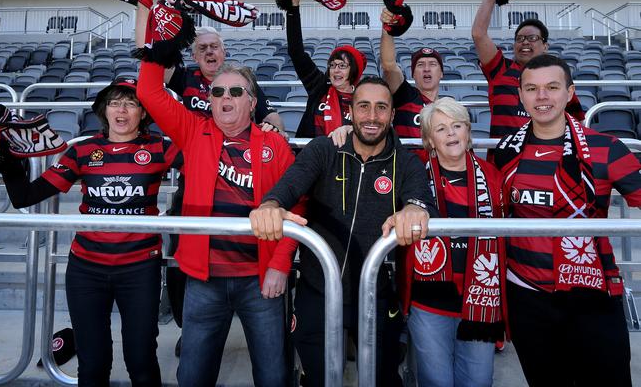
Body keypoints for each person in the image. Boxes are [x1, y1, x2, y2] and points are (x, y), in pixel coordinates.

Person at [250, 76, 437, 387]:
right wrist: (271, 204)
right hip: (317, 291)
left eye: (381, 108)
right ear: (351, 111)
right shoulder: (324, 149)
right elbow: (289, 185)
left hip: (375, 292)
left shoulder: (403, 161)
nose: (372, 116)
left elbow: (422, 198)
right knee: (317, 379)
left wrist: (415, 209)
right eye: (364, 107)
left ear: (392, 114)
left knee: (382, 378)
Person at [0, 77, 181, 386]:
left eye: (131, 103)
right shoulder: (82, 151)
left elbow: (204, 169)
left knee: (141, 361)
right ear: (103, 110)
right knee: (93, 364)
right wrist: (3, 155)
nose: (122, 110)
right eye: (114, 102)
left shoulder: (160, 148)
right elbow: (25, 197)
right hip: (86, 270)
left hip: (139, 269)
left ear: (144, 112)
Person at [134, 1, 285, 357]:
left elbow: (274, 121)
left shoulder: (242, 83)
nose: (208, 51)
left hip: (245, 195)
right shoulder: (184, 79)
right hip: (195, 181)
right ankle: (191, 326)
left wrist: (268, 131)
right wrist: (152, 19)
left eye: (213, 46)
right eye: (201, 47)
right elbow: (149, 76)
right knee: (183, 259)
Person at [494, 54, 641, 386]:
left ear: (569, 92)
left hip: (593, 295)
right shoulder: (506, 149)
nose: (542, 97)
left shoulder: (607, 148)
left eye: (552, 87)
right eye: (531, 88)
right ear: (520, 96)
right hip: (527, 296)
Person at [398, 98, 507, 387]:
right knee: (436, 382)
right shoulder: (414, 175)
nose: (450, 134)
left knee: (479, 381)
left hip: (481, 300)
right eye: (441, 128)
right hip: (430, 300)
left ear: (468, 132)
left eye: (457, 125)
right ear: (429, 140)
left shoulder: (494, 176)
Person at [471, 0, 584, 141]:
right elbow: (478, 33)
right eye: (520, 38)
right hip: (504, 162)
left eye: (532, 38)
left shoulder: (558, 77)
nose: (525, 42)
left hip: (547, 160)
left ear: (545, 46)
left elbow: (576, 125)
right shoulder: (500, 69)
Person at [284, 0, 367, 137]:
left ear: (354, 70)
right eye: (333, 65)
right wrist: (293, 9)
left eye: (342, 66)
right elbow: (296, 52)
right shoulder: (320, 87)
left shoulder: (364, 97)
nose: (336, 70)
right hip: (313, 157)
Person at [380, 7, 443, 138]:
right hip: (409, 158)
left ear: (441, 73)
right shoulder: (405, 96)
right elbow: (388, 65)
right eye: (420, 65)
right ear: (413, 74)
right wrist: (387, 28)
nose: (426, 68)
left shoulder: (448, 107)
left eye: (432, 64)